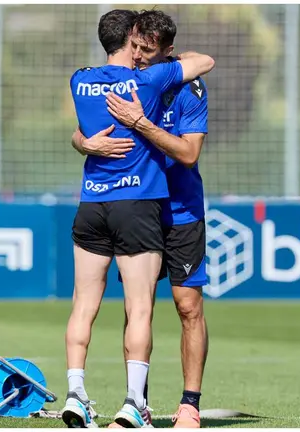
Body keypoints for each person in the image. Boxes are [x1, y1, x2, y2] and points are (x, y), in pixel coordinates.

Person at [62, 9, 214, 428]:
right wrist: (82, 142)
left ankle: (189, 404)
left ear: (168, 51)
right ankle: (138, 403)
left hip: (179, 210)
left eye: (149, 51)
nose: (141, 57)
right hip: (138, 207)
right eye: (137, 48)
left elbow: (188, 154)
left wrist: (142, 124)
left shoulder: (185, 86)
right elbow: (83, 130)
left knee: (188, 307)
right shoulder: (132, 78)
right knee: (136, 307)